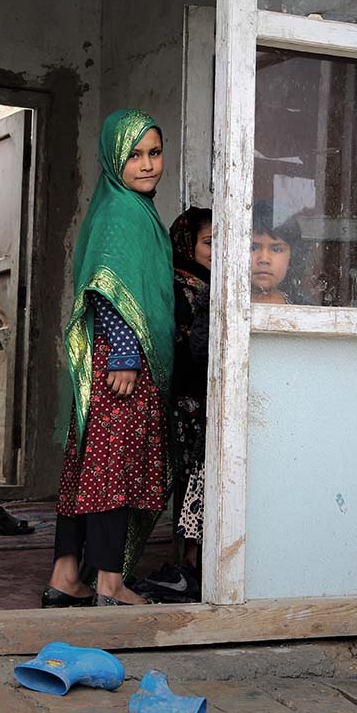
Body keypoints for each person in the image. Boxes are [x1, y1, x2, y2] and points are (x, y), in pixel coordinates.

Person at [42, 108, 175, 608]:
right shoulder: (123, 213)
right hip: (121, 367)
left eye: (155, 153)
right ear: (112, 160)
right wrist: (123, 353)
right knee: (113, 471)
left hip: (113, 365)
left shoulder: (127, 209)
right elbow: (106, 287)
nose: (146, 165)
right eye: (134, 155)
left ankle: (66, 576)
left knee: (89, 468)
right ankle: (110, 584)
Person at [133, 207, 211, 602]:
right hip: (184, 397)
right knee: (185, 479)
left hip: (204, 397)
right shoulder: (178, 285)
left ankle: (194, 561)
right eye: (209, 242)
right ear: (186, 243)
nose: (217, 250)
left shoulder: (216, 284)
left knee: (197, 479)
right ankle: (187, 561)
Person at [250, 200, 301, 304]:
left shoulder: (306, 310)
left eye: (276, 249)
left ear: (291, 256)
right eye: (253, 248)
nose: (264, 259)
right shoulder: (213, 307)